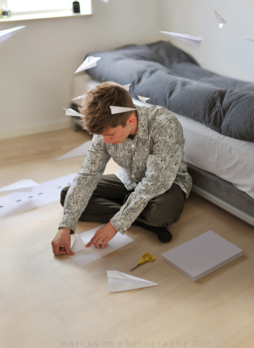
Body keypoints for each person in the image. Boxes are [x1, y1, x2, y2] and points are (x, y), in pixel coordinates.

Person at [51, 81, 192, 256]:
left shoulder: (164, 125)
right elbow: (88, 175)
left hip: (167, 184)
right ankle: (141, 219)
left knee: (160, 213)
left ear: (131, 120)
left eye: (110, 135)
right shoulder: (105, 130)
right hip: (129, 179)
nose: (106, 141)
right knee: (67, 195)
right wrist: (65, 228)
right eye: (101, 135)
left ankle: (136, 214)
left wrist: (114, 225)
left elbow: (156, 181)